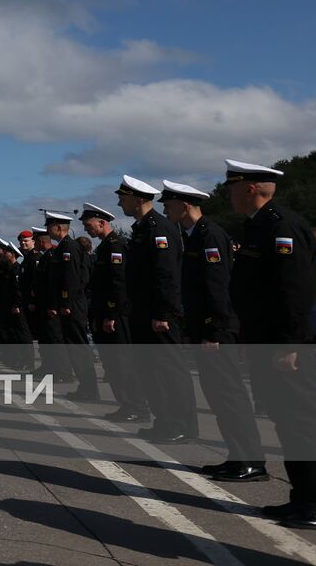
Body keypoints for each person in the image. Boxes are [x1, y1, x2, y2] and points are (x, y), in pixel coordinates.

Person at [225, 156, 316, 529]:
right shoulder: (258, 226)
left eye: (231, 187)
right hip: (267, 341)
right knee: (287, 421)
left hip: (285, 344)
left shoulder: (283, 226)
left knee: (305, 421)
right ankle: (304, 496)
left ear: (249, 188)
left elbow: (297, 290)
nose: (228, 194)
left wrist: (290, 342)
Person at [160, 180, 265, 482]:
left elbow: (218, 287)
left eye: (169, 203)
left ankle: (250, 461)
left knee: (229, 395)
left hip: (217, 330)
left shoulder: (209, 235)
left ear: (185, 204)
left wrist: (215, 330)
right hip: (206, 328)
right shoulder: (193, 235)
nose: (165, 208)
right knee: (219, 397)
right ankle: (238, 457)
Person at [117, 174, 196, 444]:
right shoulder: (142, 228)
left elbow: (167, 275)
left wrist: (163, 313)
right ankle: (164, 422)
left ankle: (181, 425)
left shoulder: (159, 229)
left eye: (123, 197)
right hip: (143, 313)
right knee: (150, 372)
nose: (119, 203)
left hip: (159, 315)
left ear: (138, 199)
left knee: (169, 371)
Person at [83, 203, 147, 424]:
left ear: (102, 223)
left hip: (116, 315)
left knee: (122, 364)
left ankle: (137, 407)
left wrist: (111, 314)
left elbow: (118, 284)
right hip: (105, 314)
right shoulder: (104, 247)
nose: (86, 229)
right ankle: (127, 404)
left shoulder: (115, 246)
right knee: (112, 365)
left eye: (89, 225)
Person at [42, 210, 100, 402]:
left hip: (73, 304)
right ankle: (86, 387)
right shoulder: (63, 248)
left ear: (58, 227)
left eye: (49, 226)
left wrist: (65, 303)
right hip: (69, 303)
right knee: (74, 348)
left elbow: (71, 279)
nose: (47, 230)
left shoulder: (69, 248)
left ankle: (90, 389)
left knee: (78, 348)